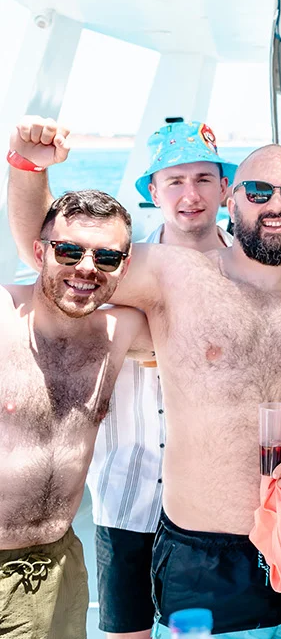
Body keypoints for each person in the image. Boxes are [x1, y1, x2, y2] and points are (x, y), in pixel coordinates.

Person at [9, 121, 281, 638]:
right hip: (200, 553)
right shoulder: (175, 276)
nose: (277, 205)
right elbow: (61, 249)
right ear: (234, 199)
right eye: (260, 191)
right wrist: (28, 167)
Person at [95, 119, 239, 639]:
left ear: (225, 188)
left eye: (204, 179)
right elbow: (46, 282)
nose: (191, 195)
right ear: (152, 191)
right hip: (126, 493)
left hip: (213, 513)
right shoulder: (114, 265)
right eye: (174, 181)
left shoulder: (251, 270)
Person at [1, 189, 151, 639]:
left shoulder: (120, 331)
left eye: (106, 257)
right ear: (38, 252)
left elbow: (214, 331)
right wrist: (25, 167)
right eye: (69, 251)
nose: (86, 268)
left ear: (124, 267)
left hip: (58, 569)